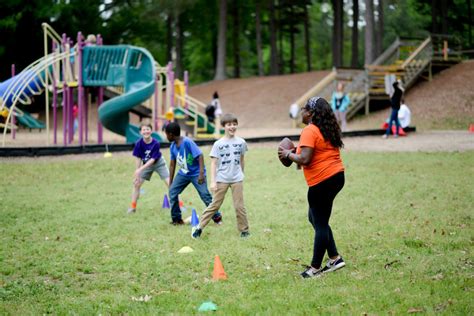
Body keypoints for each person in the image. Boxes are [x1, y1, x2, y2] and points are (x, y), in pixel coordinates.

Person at [278, 97, 346, 279]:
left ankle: (315, 268)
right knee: (315, 218)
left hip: (323, 181)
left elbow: (304, 159)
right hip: (337, 176)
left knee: (320, 222)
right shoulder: (327, 128)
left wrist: (287, 154)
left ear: (311, 113)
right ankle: (335, 258)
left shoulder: (309, 130)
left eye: (304, 108)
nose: (301, 111)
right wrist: (295, 153)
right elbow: (308, 156)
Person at [192, 113, 249, 239]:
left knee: (239, 206)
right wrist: (213, 181)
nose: (232, 127)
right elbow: (213, 163)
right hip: (222, 179)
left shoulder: (241, 142)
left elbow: (242, 159)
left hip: (237, 179)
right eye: (229, 125)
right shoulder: (218, 144)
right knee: (214, 205)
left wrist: (241, 173)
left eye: (234, 124)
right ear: (224, 126)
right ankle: (199, 227)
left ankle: (244, 230)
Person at [165, 122, 222, 225]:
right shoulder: (172, 146)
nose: (166, 137)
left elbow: (200, 156)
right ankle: (177, 220)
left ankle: (217, 216)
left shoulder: (187, 142)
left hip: (196, 173)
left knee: (205, 195)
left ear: (171, 134)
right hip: (183, 174)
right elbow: (172, 164)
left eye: (166, 134)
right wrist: (171, 182)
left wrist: (201, 174)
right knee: (172, 192)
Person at [128, 122, 170, 214]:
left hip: (158, 163)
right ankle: (132, 208)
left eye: (148, 129)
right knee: (136, 184)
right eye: (144, 130)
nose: (146, 131)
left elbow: (153, 160)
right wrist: (137, 173)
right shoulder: (138, 144)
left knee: (170, 184)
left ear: (151, 131)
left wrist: (140, 169)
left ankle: (180, 205)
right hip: (146, 165)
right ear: (140, 132)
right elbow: (138, 158)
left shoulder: (156, 143)